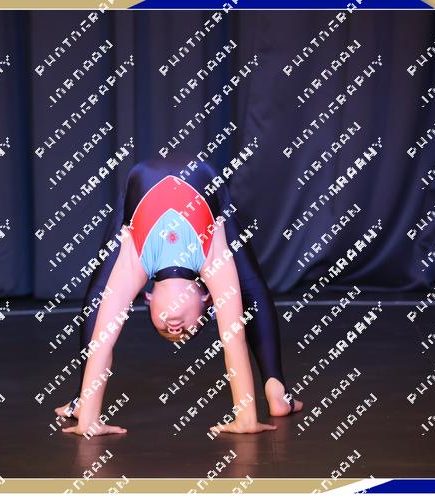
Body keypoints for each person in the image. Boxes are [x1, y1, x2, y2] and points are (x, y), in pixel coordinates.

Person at [56, 153, 303, 436]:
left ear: (148, 298)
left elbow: (103, 342)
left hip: (141, 180)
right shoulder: (212, 257)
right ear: (207, 299)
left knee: (101, 293)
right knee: (248, 282)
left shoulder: (135, 260)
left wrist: (89, 421)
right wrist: (246, 419)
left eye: (165, 332)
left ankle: (83, 402)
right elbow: (233, 338)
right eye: (187, 331)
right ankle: (276, 389)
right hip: (204, 177)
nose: (174, 330)